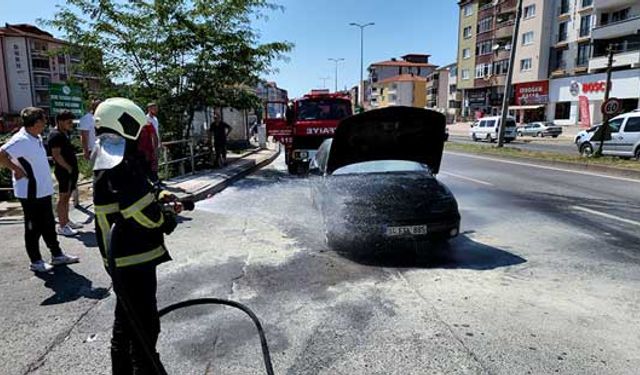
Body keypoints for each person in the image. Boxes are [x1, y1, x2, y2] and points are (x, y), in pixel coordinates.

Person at [92, 98, 179, 374]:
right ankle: (145, 367)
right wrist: (165, 218)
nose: (142, 134)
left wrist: (160, 193)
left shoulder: (111, 156)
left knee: (125, 324)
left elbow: (140, 189)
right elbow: (140, 212)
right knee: (144, 324)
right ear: (125, 124)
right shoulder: (120, 164)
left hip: (123, 260)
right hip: (133, 258)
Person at [0, 107, 79, 273]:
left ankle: (57, 255)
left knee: (49, 224)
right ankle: (35, 260)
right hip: (29, 191)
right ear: (36, 122)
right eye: (44, 120)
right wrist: (16, 169)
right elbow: (1, 153)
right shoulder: (20, 140)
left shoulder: (35, 137)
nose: (46, 123)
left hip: (43, 190)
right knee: (33, 227)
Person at [48, 110, 83, 236]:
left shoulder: (64, 133)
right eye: (68, 122)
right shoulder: (55, 135)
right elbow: (56, 155)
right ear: (60, 121)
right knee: (63, 198)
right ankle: (62, 226)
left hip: (70, 171)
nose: (71, 124)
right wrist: (68, 167)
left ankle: (66, 221)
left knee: (67, 197)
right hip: (63, 171)